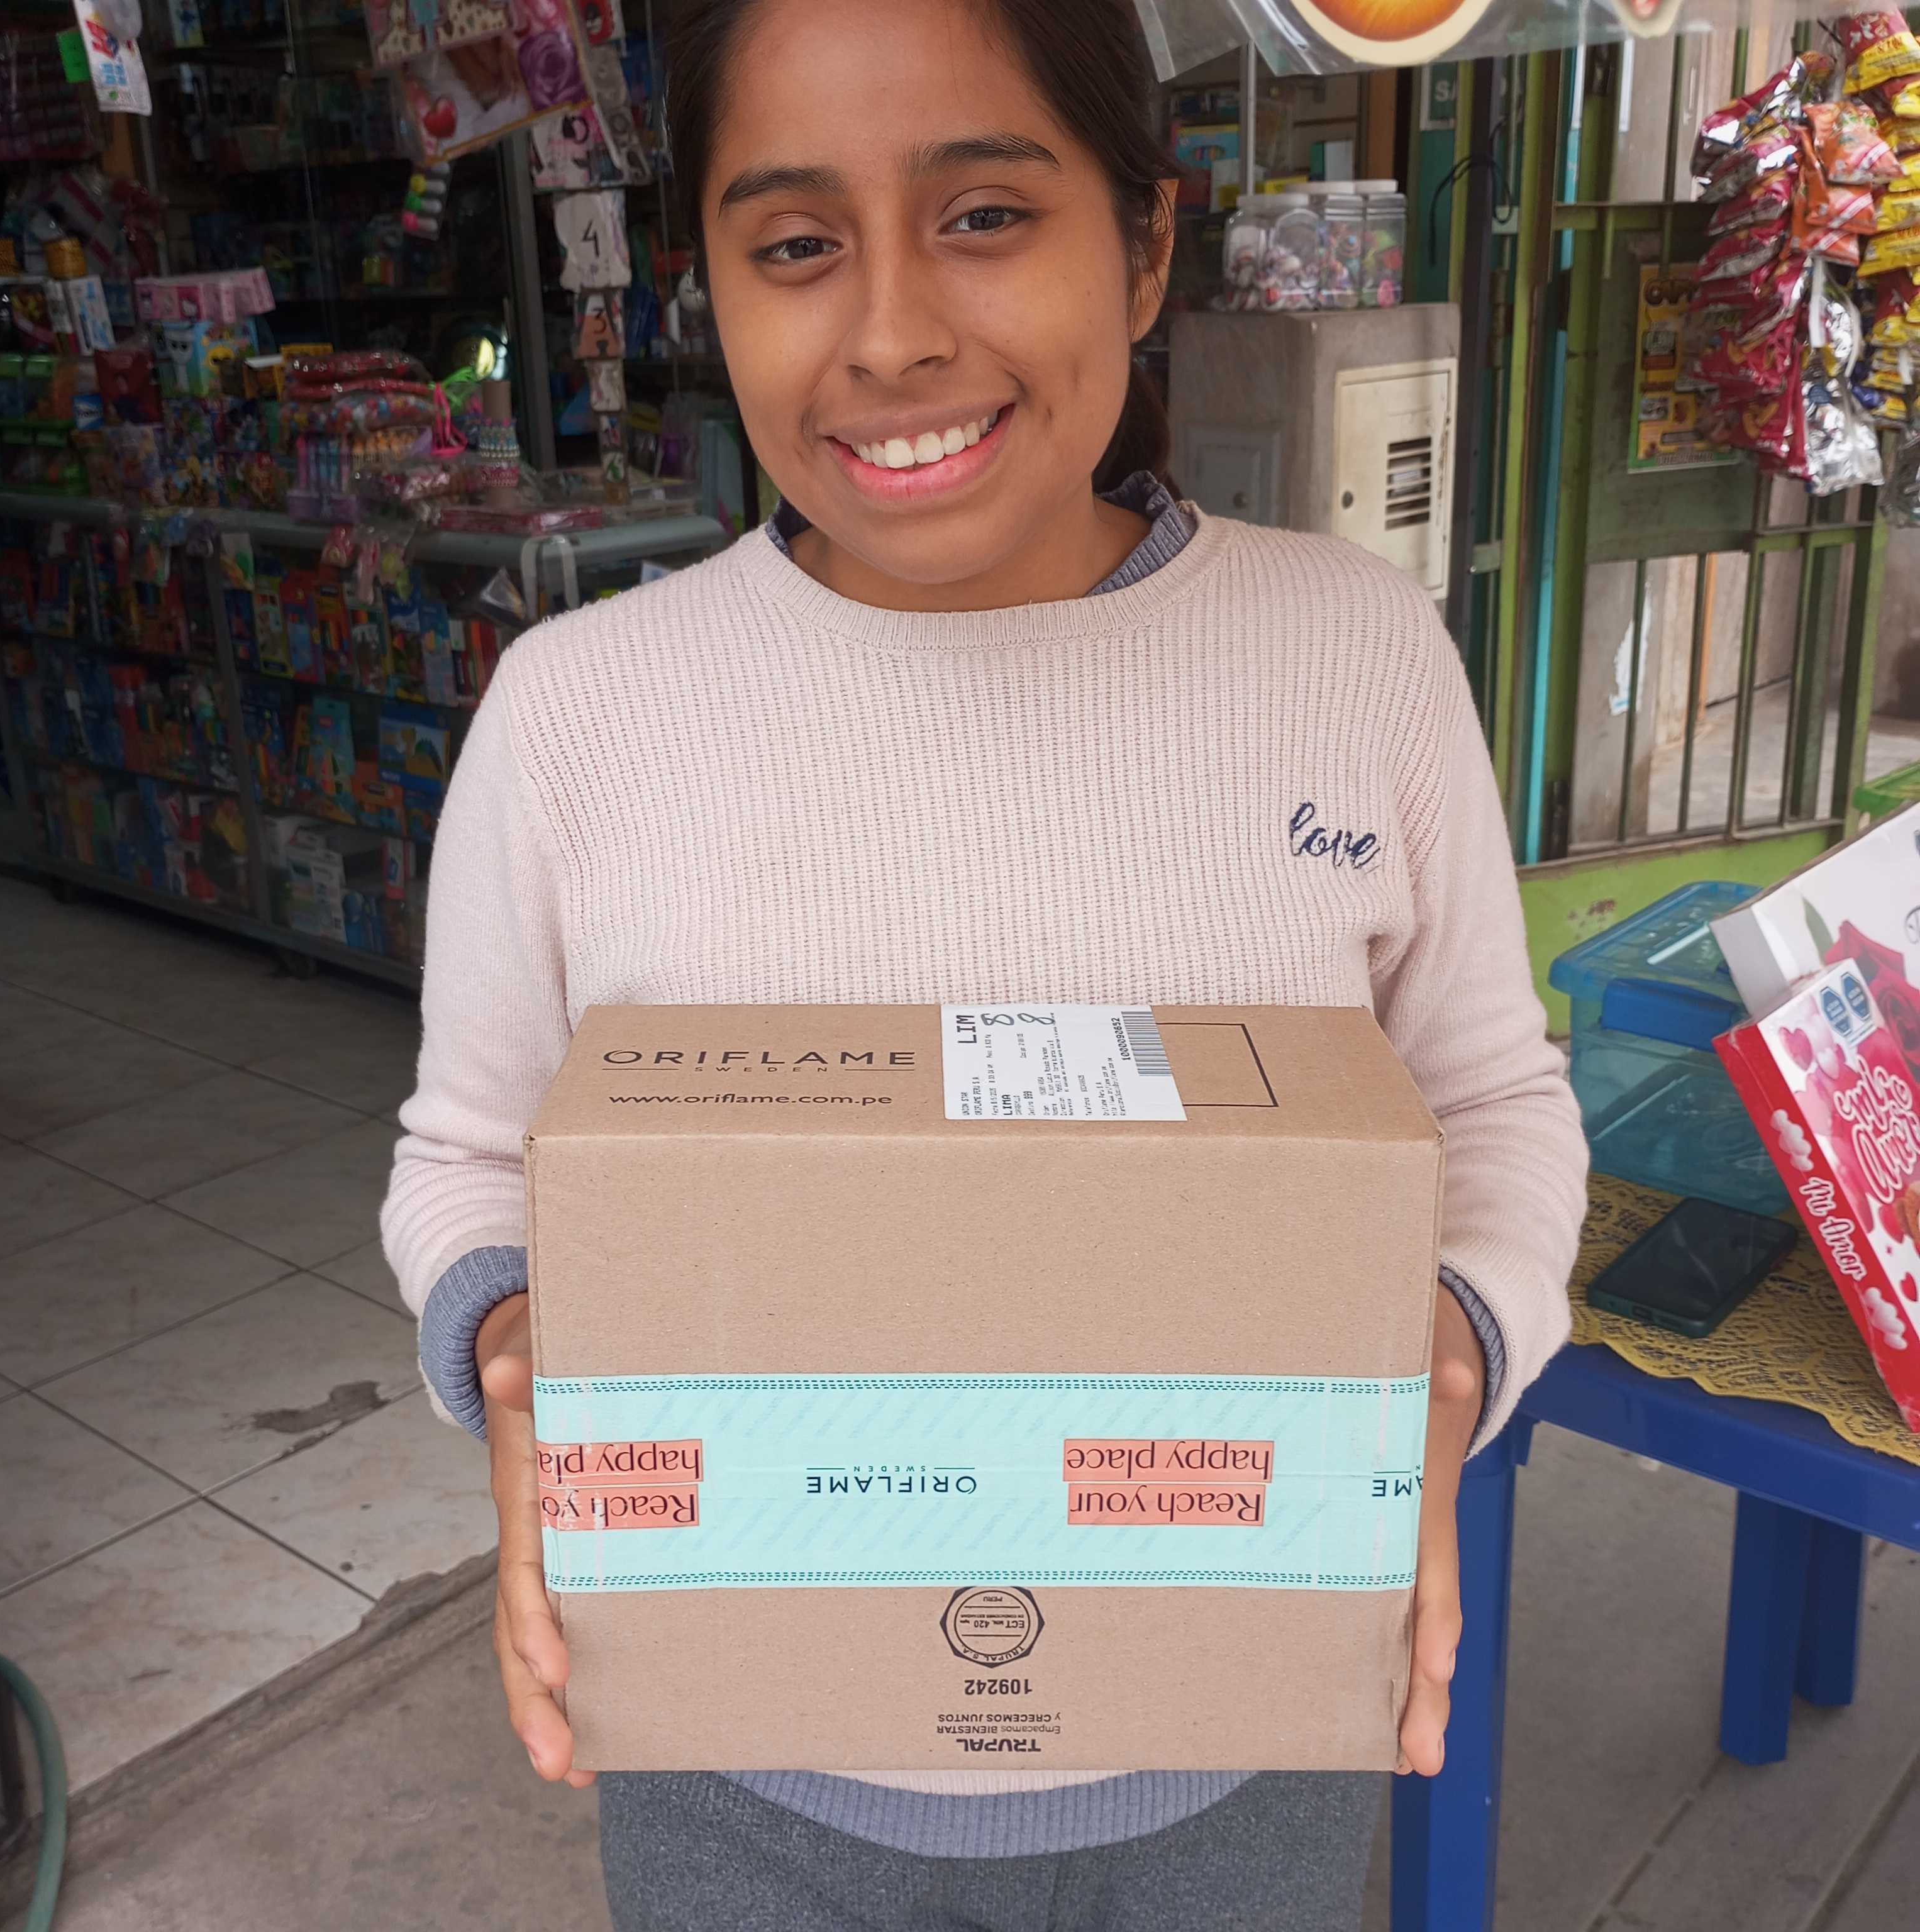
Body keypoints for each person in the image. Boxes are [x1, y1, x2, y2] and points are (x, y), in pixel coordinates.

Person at [382, 0, 1589, 1924]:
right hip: (740, 1787)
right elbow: (467, 1158)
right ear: (711, 285)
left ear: (1146, 245)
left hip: (1243, 1757)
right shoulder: (582, 716)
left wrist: (1454, 1345)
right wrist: (510, 1345)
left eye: (984, 217)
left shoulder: (1354, 661)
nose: (888, 336)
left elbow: (1490, 1100)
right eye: (796, 244)